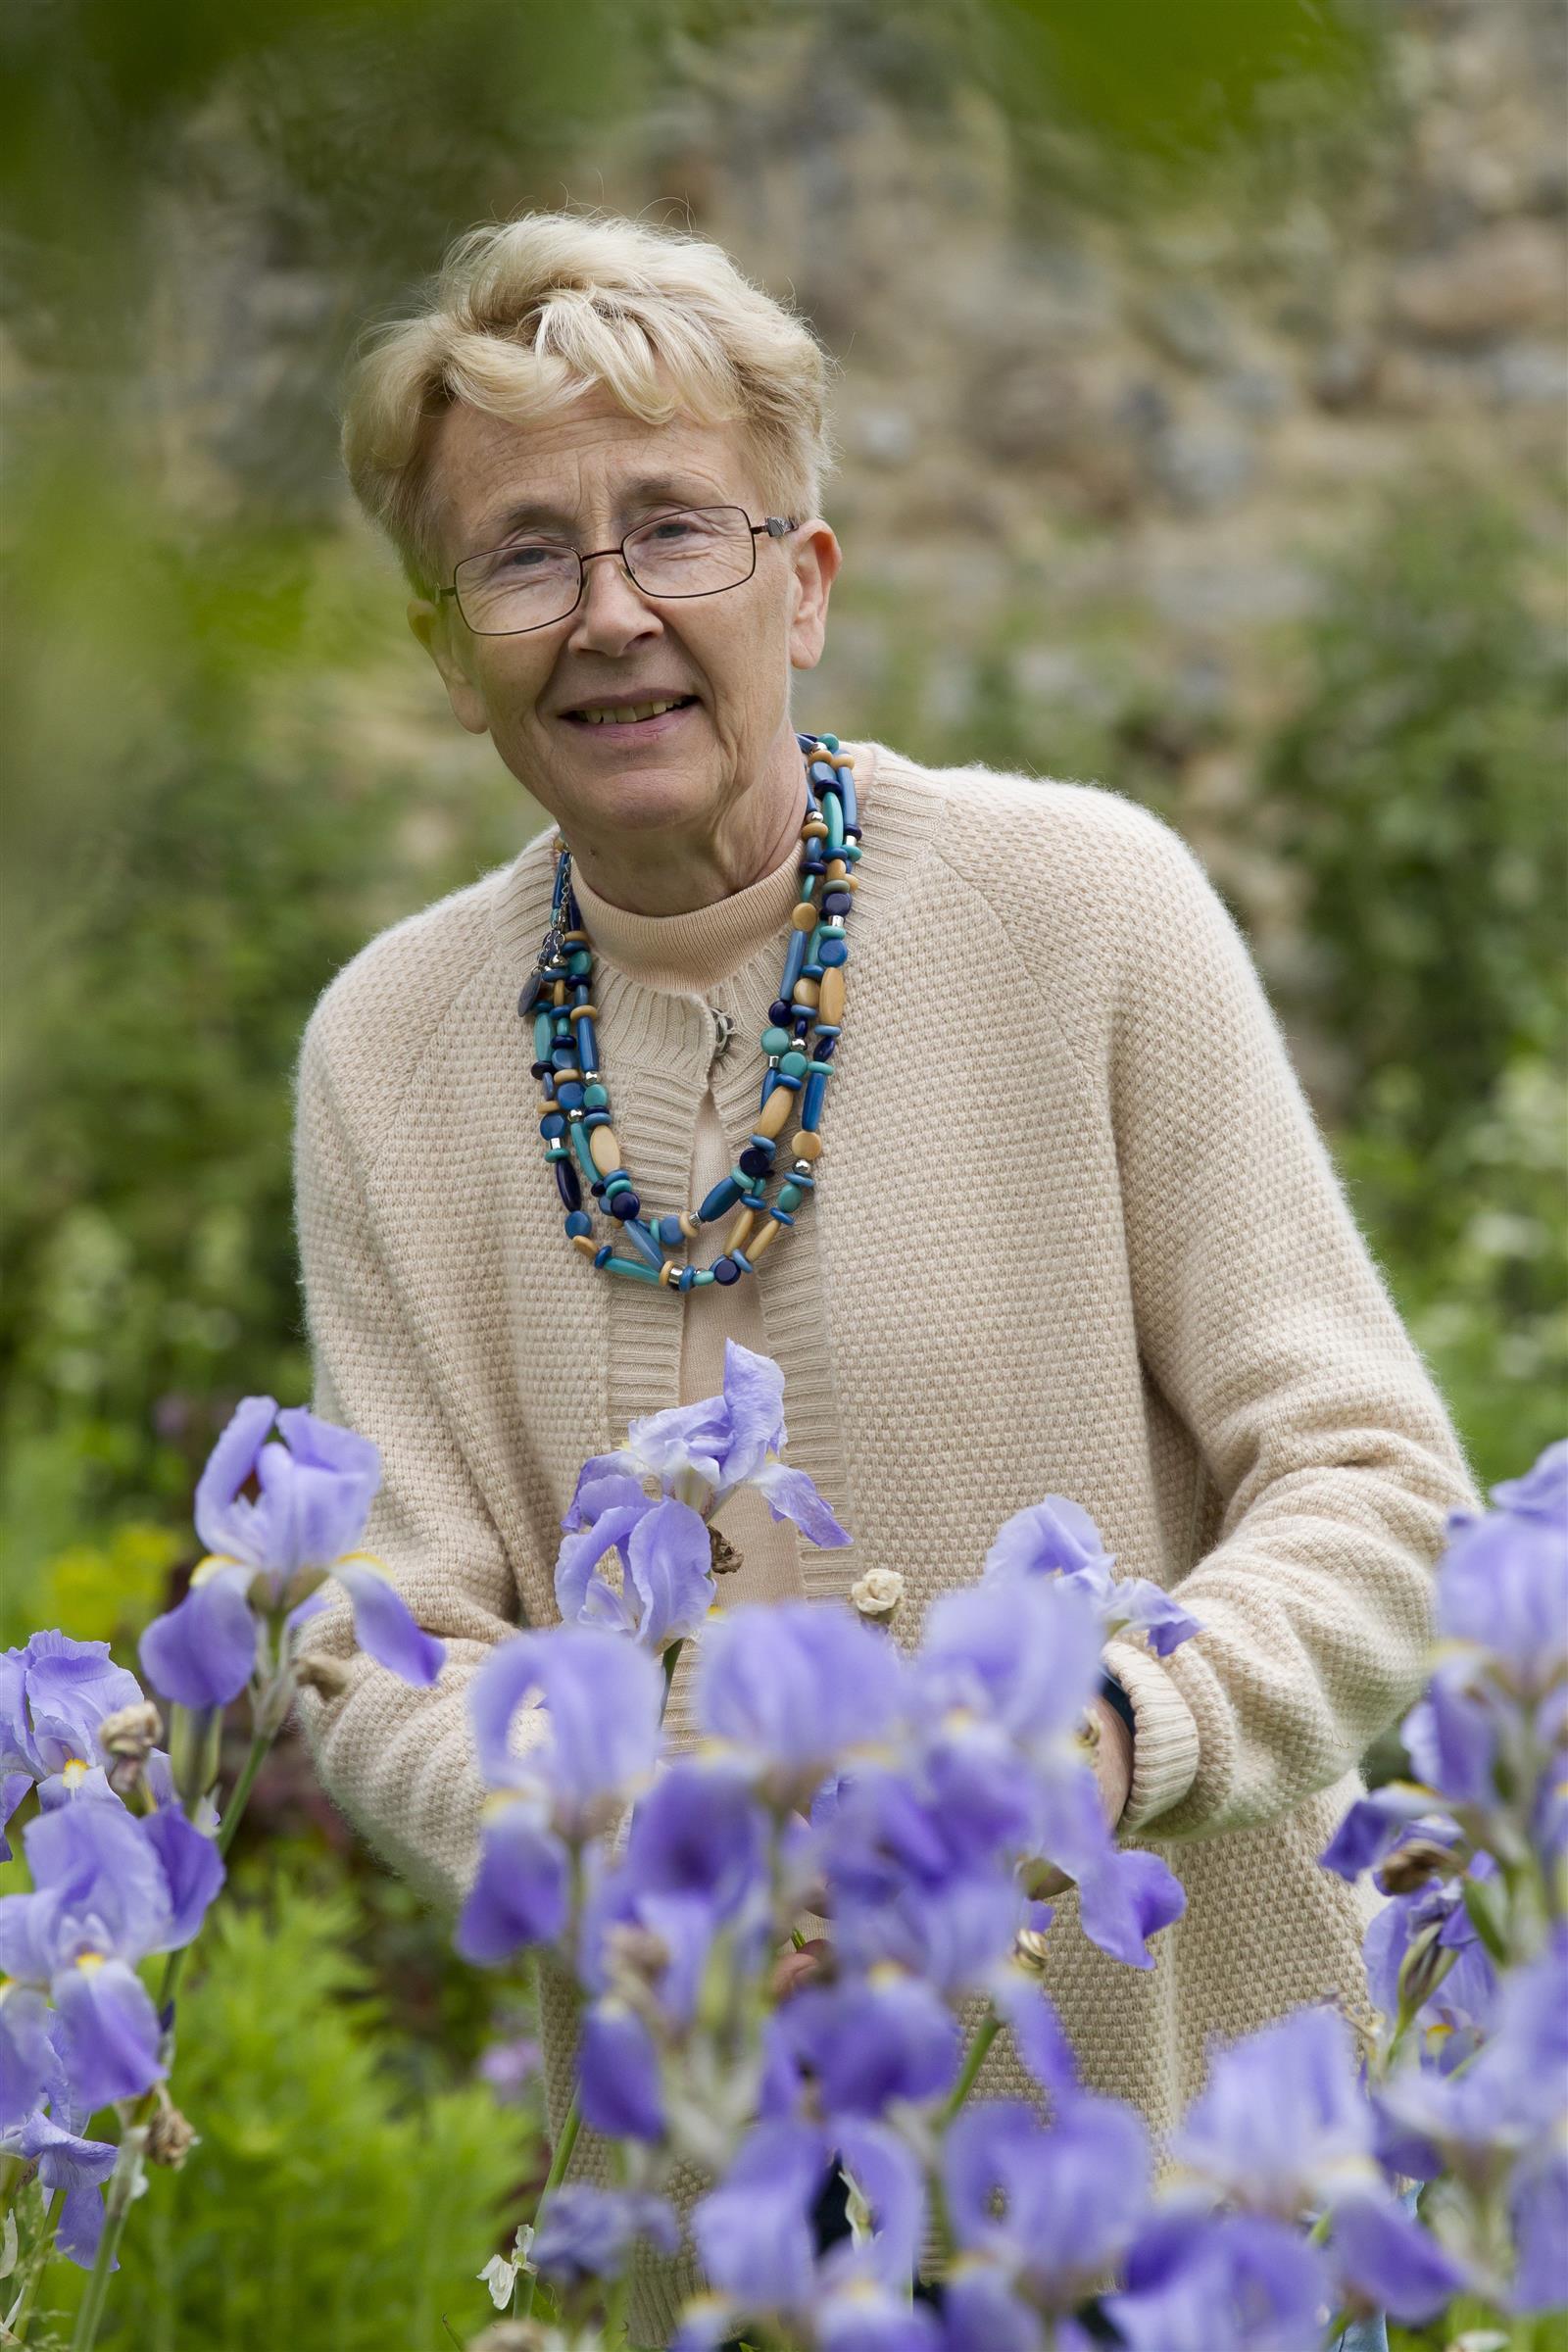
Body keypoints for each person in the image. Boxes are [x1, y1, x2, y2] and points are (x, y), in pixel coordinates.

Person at [291, 210, 1479, 2344]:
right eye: (524, 556)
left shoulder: (1080, 911)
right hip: (717, 2229)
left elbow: (1377, 1487)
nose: (611, 613)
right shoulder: (389, 1051)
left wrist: (1108, 1741)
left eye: (678, 529)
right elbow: (380, 1650)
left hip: (1180, 2192)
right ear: (444, 643)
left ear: (805, 586)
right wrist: (640, 1848)